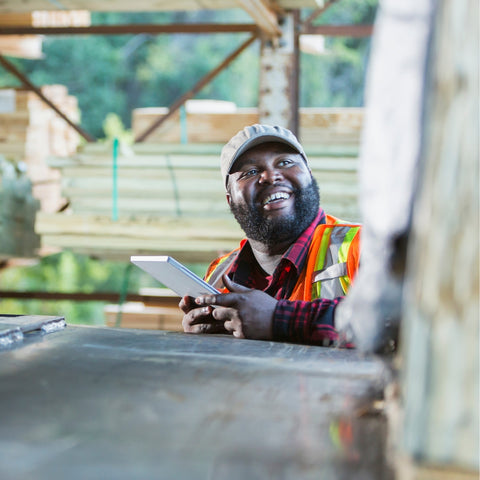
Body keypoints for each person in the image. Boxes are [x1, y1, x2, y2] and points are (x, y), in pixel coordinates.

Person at [180, 124, 361, 346]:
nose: (270, 176)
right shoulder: (218, 276)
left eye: (285, 162)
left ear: (310, 177)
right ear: (230, 200)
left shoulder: (361, 247)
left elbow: (395, 320)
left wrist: (279, 318)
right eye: (250, 172)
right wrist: (204, 339)